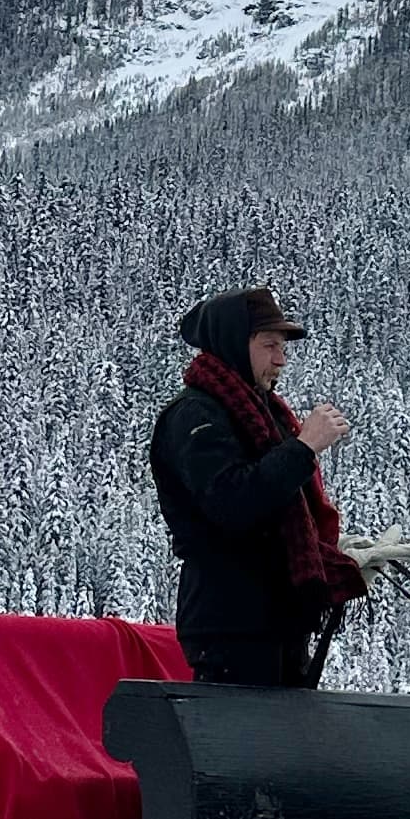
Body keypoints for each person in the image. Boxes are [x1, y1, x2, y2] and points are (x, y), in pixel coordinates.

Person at [149, 286, 367, 686]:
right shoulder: (195, 416)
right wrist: (304, 448)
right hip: (231, 627)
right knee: (244, 748)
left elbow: (277, 503)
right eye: (270, 346)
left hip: (274, 623)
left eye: (282, 348)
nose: (281, 360)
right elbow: (232, 502)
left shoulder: (259, 412)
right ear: (234, 343)